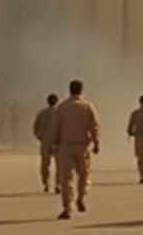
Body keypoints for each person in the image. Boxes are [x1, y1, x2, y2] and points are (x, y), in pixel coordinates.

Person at [46, 80, 100, 219]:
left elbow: (54, 128)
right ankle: (81, 196)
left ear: (69, 90)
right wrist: (96, 142)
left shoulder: (62, 107)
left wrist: (51, 144)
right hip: (83, 146)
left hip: (66, 147)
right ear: (81, 90)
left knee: (67, 178)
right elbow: (94, 126)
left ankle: (68, 207)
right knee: (84, 174)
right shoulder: (88, 107)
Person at [33, 93, 60, 193]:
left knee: (45, 164)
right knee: (60, 164)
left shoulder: (41, 113)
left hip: (45, 141)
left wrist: (40, 137)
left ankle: (46, 183)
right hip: (58, 142)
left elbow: (35, 128)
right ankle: (58, 183)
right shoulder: (60, 113)